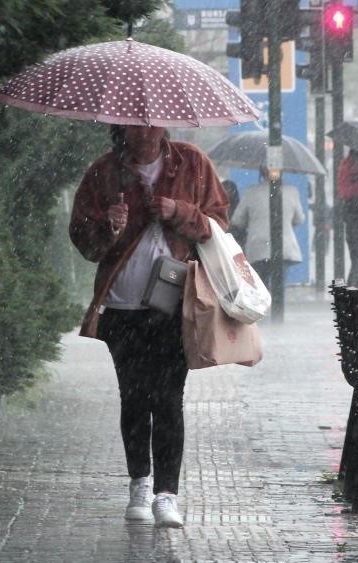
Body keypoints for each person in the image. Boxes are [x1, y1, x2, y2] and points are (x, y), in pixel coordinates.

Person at [69, 125, 228, 528]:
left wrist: (181, 213)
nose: (145, 131)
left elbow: (219, 226)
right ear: (121, 127)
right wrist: (108, 226)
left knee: (169, 398)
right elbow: (85, 242)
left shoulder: (191, 163)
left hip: (174, 304)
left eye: (152, 122)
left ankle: (167, 495)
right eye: (135, 123)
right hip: (122, 307)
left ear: (164, 124)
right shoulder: (104, 172)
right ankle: (139, 484)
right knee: (134, 398)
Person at [229, 166, 306, 292]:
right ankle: (277, 309)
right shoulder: (292, 191)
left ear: (261, 172)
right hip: (284, 246)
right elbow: (299, 219)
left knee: (260, 287)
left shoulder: (251, 192)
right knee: (278, 287)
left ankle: (264, 308)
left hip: (257, 246)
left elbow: (237, 221)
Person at [337, 147, 358, 286]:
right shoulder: (350, 166)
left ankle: (351, 300)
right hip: (356, 219)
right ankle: (351, 300)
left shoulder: (347, 164)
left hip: (353, 220)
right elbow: (345, 192)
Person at [221, 179, 244, 249]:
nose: (227, 193)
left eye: (229, 190)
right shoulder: (215, 209)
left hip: (235, 243)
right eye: (224, 190)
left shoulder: (239, 209)